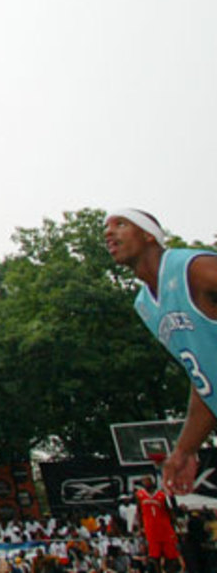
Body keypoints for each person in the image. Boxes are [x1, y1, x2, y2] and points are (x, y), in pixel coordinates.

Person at [103, 209, 217, 493]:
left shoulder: (190, 267)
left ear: (148, 235)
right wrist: (183, 450)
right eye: (105, 228)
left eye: (120, 224)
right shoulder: (145, 305)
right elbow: (205, 379)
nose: (108, 232)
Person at [134, 477, 180, 573]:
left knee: (172, 556)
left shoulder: (162, 495)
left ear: (152, 482)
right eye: (144, 482)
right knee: (154, 556)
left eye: (147, 481)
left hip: (164, 527)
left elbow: (169, 510)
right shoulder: (139, 495)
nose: (146, 483)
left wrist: (175, 523)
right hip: (150, 528)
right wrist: (140, 528)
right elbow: (138, 512)